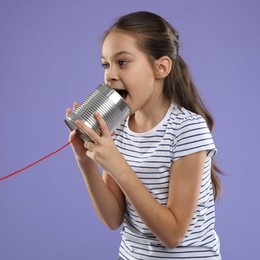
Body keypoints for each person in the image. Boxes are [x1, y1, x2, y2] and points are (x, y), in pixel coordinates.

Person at [66, 11, 222, 259]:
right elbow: (112, 218)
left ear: (161, 67)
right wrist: (85, 161)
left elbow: (172, 235)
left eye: (123, 62)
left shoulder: (188, 129)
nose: (110, 74)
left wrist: (117, 166)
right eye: (106, 64)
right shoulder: (117, 129)